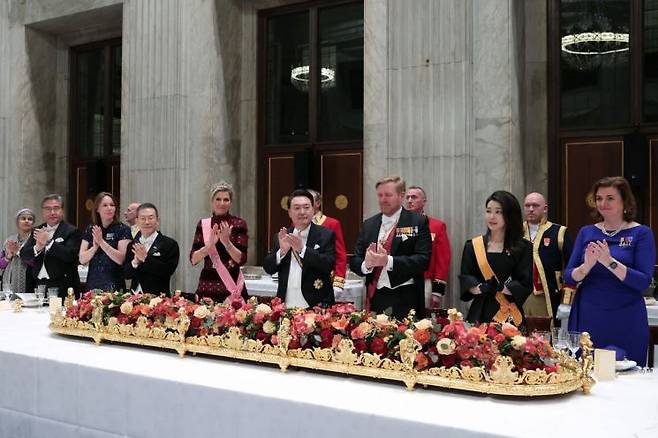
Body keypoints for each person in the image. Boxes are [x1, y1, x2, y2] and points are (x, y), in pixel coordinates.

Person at [561, 176, 656, 365]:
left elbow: (643, 281)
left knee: (628, 373)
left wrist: (609, 262)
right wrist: (586, 266)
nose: (603, 203)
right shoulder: (586, 232)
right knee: (588, 371)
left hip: (626, 315)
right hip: (589, 313)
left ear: (625, 201)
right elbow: (568, 276)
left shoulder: (641, 233)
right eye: (599, 198)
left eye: (610, 198)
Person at [349, 176, 431, 319]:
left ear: (401, 195)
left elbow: (423, 260)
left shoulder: (417, 221)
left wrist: (388, 261)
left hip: (406, 298)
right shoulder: (369, 224)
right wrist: (366, 265)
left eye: (388, 195)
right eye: (380, 195)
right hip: (376, 297)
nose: (383, 199)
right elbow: (355, 259)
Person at [459, 190, 533, 325]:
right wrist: (479, 287)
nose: (492, 216)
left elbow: (525, 282)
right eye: (488, 211)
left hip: (509, 313)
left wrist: (500, 288)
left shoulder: (524, 247)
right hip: (479, 312)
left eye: (498, 212)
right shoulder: (473, 245)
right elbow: (466, 277)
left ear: (510, 215)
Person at [263, 189, 336, 308]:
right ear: (290, 212)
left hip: (316, 306)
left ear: (313, 210)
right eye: (297, 208)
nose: (302, 212)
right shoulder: (282, 236)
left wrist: (303, 250)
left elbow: (328, 265)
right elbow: (268, 268)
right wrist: (281, 252)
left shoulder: (325, 235)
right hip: (286, 305)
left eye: (306, 207)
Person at [190, 181, 248, 303]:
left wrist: (227, 243)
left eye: (226, 200)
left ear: (231, 202)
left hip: (232, 286)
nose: (222, 203)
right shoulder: (203, 224)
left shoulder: (239, 224)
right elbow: (193, 259)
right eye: (218, 199)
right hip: (207, 288)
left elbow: (241, 259)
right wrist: (209, 246)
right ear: (212, 201)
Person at [521, 192, 574, 321]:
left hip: (549, 294)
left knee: (546, 335)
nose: (531, 209)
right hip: (521, 294)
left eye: (535, 205)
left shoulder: (559, 232)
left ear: (545, 209)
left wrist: (567, 299)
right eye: (527, 205)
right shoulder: (516, 232)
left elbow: (572, 266)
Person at [20, 194, 82, 298]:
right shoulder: (37, 230)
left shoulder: (72, 231)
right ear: (43, 212)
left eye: (56, 208)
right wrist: (38, 247)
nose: (52, 212)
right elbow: (24, 254)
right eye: (48, 209)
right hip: (38, 286)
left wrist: (49, 242)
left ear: (62, 210)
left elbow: (70, 256)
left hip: (63, 286)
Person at [405, 185, 451, 308]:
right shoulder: (399, 226)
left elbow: (443, 259)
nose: (409, 200)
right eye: (408, 197)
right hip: (401, 282)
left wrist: (437, 290)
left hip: (424, 281)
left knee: (423, 322)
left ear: (424, 201)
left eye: (414, 197)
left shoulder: (436, 226)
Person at [79, 192, 132, 291]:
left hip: (114, 284)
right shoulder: (91, 229)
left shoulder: (123, 229)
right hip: (93, 283)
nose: (109, 208)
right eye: (105, 205)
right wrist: (94, 248)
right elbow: (82, 259)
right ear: (97, 209)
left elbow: (120, 259)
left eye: (112, 205)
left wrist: (101, 242)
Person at [124, 203, 179, 294]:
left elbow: (167, 271)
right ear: (137, 221)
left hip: (159, 299)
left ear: (157, 220)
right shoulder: (132, 245)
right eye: (143, 218)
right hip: (134, 298)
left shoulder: (169, 244)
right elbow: (126, 274)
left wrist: (145, 258)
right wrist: (135, 262)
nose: (147, 222)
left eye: (150, 218)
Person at [308, 189, 347, 292]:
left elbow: (340, 254)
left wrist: (339, 280)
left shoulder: (332, 224)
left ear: (318, 203)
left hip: (325, 278)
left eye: (309, 201)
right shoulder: (297, 223)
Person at [0, 208, 36, 295]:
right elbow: (1, 264)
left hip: (30, 282)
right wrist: (8, 256)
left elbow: (37, 263)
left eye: (30, 219)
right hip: (9, 282)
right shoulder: (9, 240)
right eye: (23, 218)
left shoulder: (35, 240)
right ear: (17, 222)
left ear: (33, 223)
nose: (26, 221)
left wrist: (19, 252)